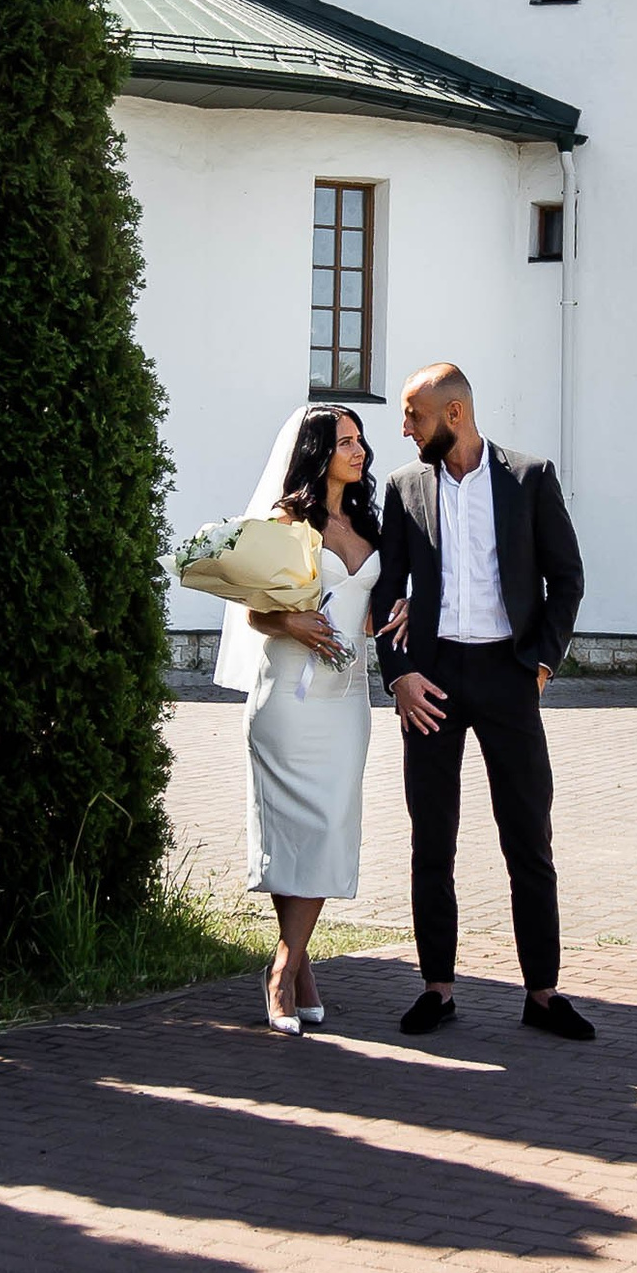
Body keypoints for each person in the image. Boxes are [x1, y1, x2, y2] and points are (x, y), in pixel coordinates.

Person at [372, 361, 592, 1043]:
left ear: (454, 415)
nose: (405, 428)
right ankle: (437, 987)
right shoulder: (405, 486)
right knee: (430, 839)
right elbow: (389, 590)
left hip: (508, 675)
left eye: (415, 416)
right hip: (431, 681)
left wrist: (542, 665)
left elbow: (568, 578)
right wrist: (398, 674)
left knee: (528, 837)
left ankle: (543, 993)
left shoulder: (530, 478)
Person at [231, 402, 379, 1033]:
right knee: (294, 828)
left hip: (347, 701)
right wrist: (289, 619)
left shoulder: (372, 522)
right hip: (288, 695)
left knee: (329, 824)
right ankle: (285, 971)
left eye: (361, 440)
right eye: (346, 441)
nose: (360, 451)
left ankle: (297, 965)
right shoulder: (285, 522)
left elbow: (380, 598)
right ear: (319, 452)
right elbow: (253, 612)